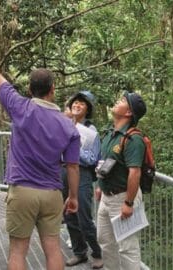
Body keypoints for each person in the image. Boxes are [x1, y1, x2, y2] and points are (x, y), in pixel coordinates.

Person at [0, 21, 80, 270]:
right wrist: (74, 197)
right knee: (53, 248)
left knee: (17, 251)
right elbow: (73, 167)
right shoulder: (69, 126)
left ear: (29, 89)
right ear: (53, 90)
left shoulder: (19, 107)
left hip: (22, 191)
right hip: (52, 194)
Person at [95, 91, 147, 270]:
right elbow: (106, 163)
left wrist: (129, 202)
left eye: (123, 100)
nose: (118, 101)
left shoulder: (133, 138)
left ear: (129, 112)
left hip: (123, 197)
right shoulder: (110, 134)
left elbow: (135, 173)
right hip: (106, 197)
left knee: (127, 248)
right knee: (105, 242)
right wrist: (100, 187)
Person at [61, 91, 103, 269]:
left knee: (84, 217)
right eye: (75, 102)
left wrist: (74, 144)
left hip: (82, 174)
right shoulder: (63, 124)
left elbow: (92, 158)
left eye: (82, 104)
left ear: (88, 109)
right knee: (68, 214)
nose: (77, 105)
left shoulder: (91, 131)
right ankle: (80, 253)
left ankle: (98, 252)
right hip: (63, 172)